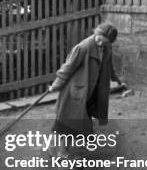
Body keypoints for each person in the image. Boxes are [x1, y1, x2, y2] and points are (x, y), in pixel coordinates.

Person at [48, 21, 123, 157]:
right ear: (96, 33)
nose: (100, 44)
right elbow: (67, 68)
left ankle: (75, 151)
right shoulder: (83, 47)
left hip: (92, 91)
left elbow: (109, 65)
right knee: (68, 122)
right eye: (99, 40)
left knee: (82, 122)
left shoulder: (107, 48)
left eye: (104, 42)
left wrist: (115, 78)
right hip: (77, 91)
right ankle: (61, 152)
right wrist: (56, 85)